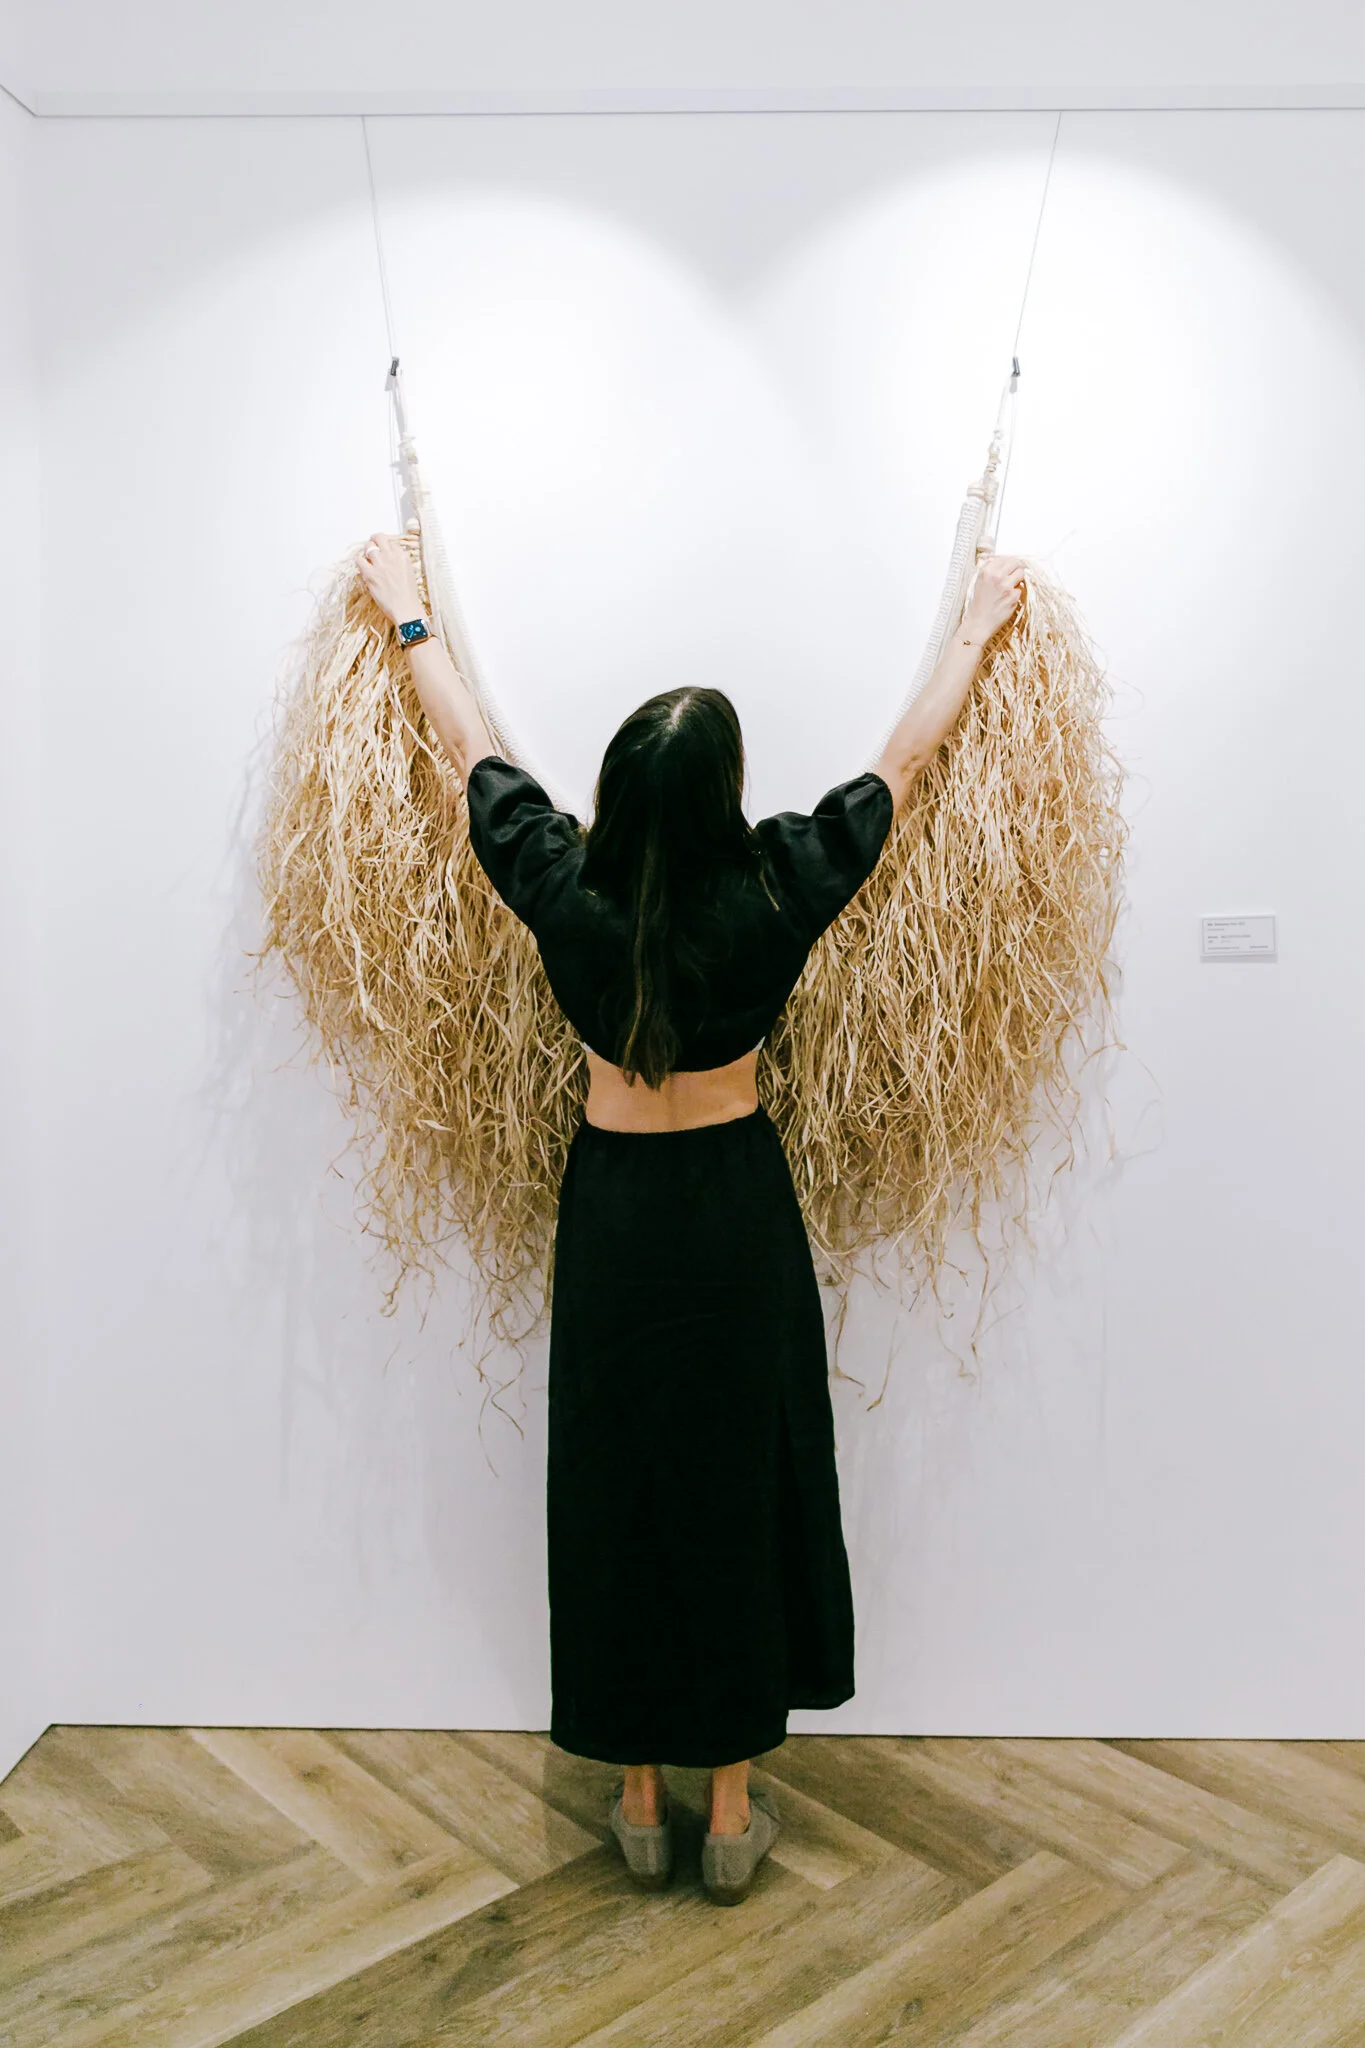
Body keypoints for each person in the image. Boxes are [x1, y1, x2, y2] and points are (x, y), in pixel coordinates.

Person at [357, 531, 1025, 1904]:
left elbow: (471, 749)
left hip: (617, 1218)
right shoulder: (777, 885)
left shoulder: (564, 883)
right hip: (733, 1213)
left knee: (621, 1490)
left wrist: (410, 614)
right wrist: (974, 628)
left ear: (615, 793)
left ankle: (638, 1801)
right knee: (738, 1484)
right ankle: (729, 1813)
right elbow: (901, 768)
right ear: (723, 797)